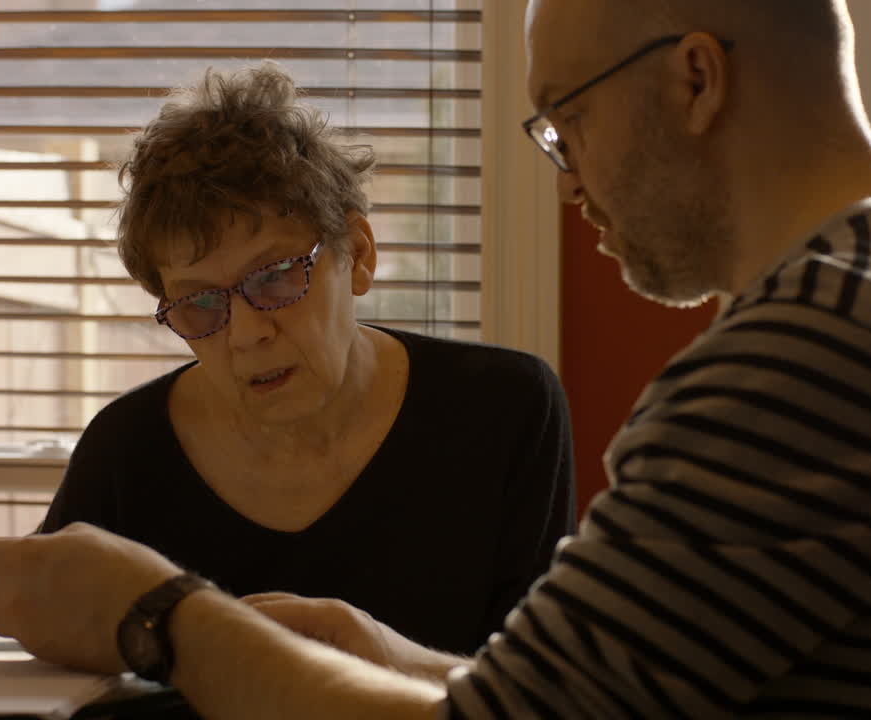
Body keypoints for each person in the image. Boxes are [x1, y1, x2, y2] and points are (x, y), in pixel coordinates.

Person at [0, 0, 871, 717]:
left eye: (565, 119)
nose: (566, 177)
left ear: (694, 78)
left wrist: (159, 615)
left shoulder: (814, 361)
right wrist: (366, 647)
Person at [34, 63, 575, 656]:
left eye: (273, 278)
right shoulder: (126, 450)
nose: (245, 335)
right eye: (199, 303)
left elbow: (539, 689)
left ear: (359, 255)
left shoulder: (503, 410)